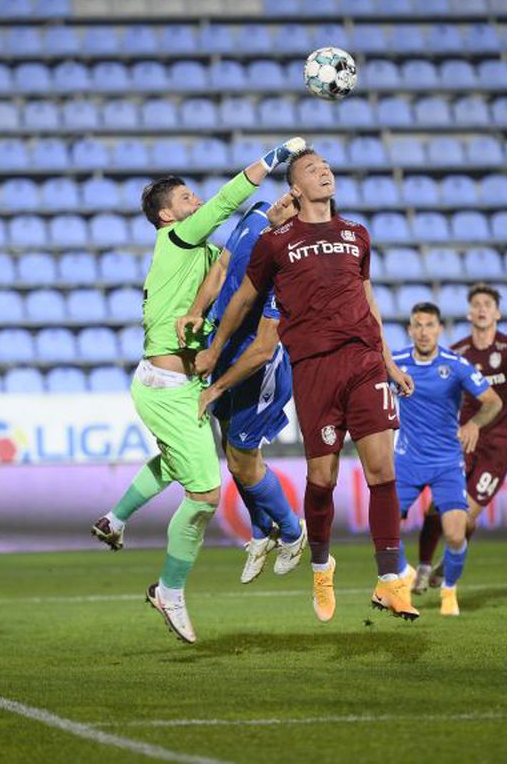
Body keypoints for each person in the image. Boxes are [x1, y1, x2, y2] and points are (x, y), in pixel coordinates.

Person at [90, 136, 306, 644]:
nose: (197, 203)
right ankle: (170, 589)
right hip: (167, 384)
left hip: (181, 383)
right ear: (168, 217)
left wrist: (274, 225)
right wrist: (276, 157)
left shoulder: (205, 251)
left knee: (174, 460)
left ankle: (114, 519)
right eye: (187, 199)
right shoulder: (180, 239)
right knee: (205, 493)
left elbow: (235, 267)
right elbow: (229, 201)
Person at [195, 148, 419, 623]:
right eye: (313, 170)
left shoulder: (357, 234)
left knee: (382, 471)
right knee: (323, 481)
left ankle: (390, 581)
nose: (325, 174)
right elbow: (241, 300)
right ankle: (321, 565)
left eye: (328, 168)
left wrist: (389, 363)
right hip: (314, 368)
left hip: (362, 363)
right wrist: (214, 350)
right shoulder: (278, 241)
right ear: (295, 187)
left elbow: (368, 302)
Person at [178, 198, 307, 584]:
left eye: (295, 204)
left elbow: (264, 348)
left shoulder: (289, 270)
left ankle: (291, 532)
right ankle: (258, 532)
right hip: (223, 349)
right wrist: (198, 310)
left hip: (256, 369)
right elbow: (221, 266)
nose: (284, 202)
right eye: (287, 194)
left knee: (243, 462)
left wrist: (214, 388)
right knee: (234, 457)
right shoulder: (257, 213)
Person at [414, 283, 507, 591]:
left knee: (463, 517)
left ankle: (445, 564)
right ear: (469, 312)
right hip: (463, 437)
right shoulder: (459, 351)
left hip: (500, 444)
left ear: (497, 313)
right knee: (436, 506)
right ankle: (424, 567)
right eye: (476, 303)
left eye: (487, 304)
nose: (481, 308)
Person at [391, 302, 501, 617]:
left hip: (446, 463)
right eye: (418, 325)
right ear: (410, 330)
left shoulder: (456, 365)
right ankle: (406, 574)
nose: (424, 332)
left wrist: (473, 424)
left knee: (455, 533)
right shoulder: (395, 363)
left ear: (440, 329)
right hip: (407, 460)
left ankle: (449, 590)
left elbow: (493, 402)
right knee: (384, 526)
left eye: (430, 325)